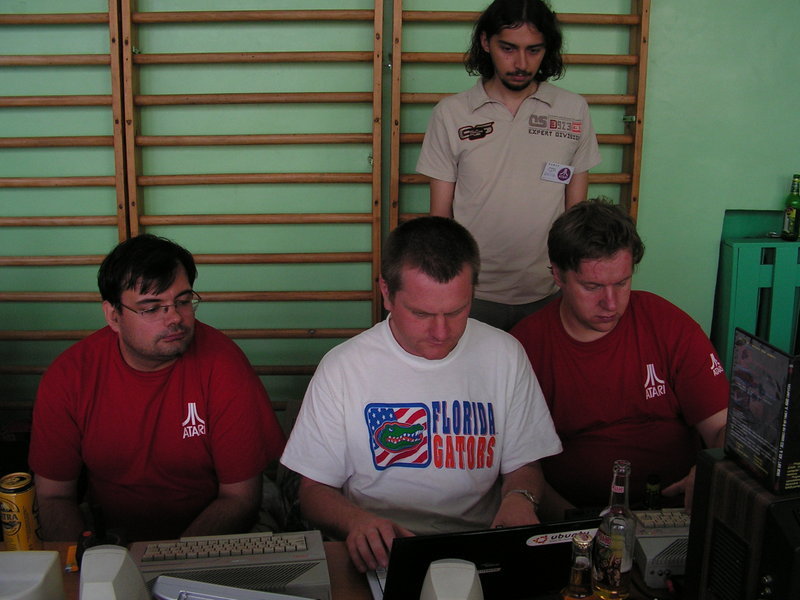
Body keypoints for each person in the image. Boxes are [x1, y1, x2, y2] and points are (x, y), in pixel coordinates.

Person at [280, 216, 561, 572]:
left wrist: (520, 498)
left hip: (479, 544)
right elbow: (313, 491)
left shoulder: (505, 354)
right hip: (382, 553)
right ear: (386, 293)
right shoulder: (343, 367)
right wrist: (355, 522)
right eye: (422, 314)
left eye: (457, 311)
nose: (441, 332)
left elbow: (525, 463)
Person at [29, 234, 286, 542]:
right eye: (151, 308)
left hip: (210, 531)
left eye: (183, 301)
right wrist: (88, 560)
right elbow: (53, 497)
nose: (175, 317)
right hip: (105, 534)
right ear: (113, 316)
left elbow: (239, 497)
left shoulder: (224, 364)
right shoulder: (69, 376)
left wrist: (172, 559)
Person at [510, 200, 729, 514]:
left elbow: (721, 427)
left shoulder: (668, 325)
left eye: (622, 283)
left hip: (677, 512)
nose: (611, 303)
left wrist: (713, 472)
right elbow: (519, 465)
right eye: (592, 286)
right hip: (573, 521)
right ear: (558, 275)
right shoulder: (525, 346)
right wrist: (571, 521)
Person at [416, 0, 601, 331]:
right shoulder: (451, 113)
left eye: (534, 50)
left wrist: (573, 282)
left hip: (549, 290)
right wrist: (446, 287)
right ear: (486, 42)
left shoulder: (573, 110)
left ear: (547, 48)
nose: (521, 63)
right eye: (508, 48)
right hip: (473, 291)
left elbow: (576, 216)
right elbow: (440, 219)